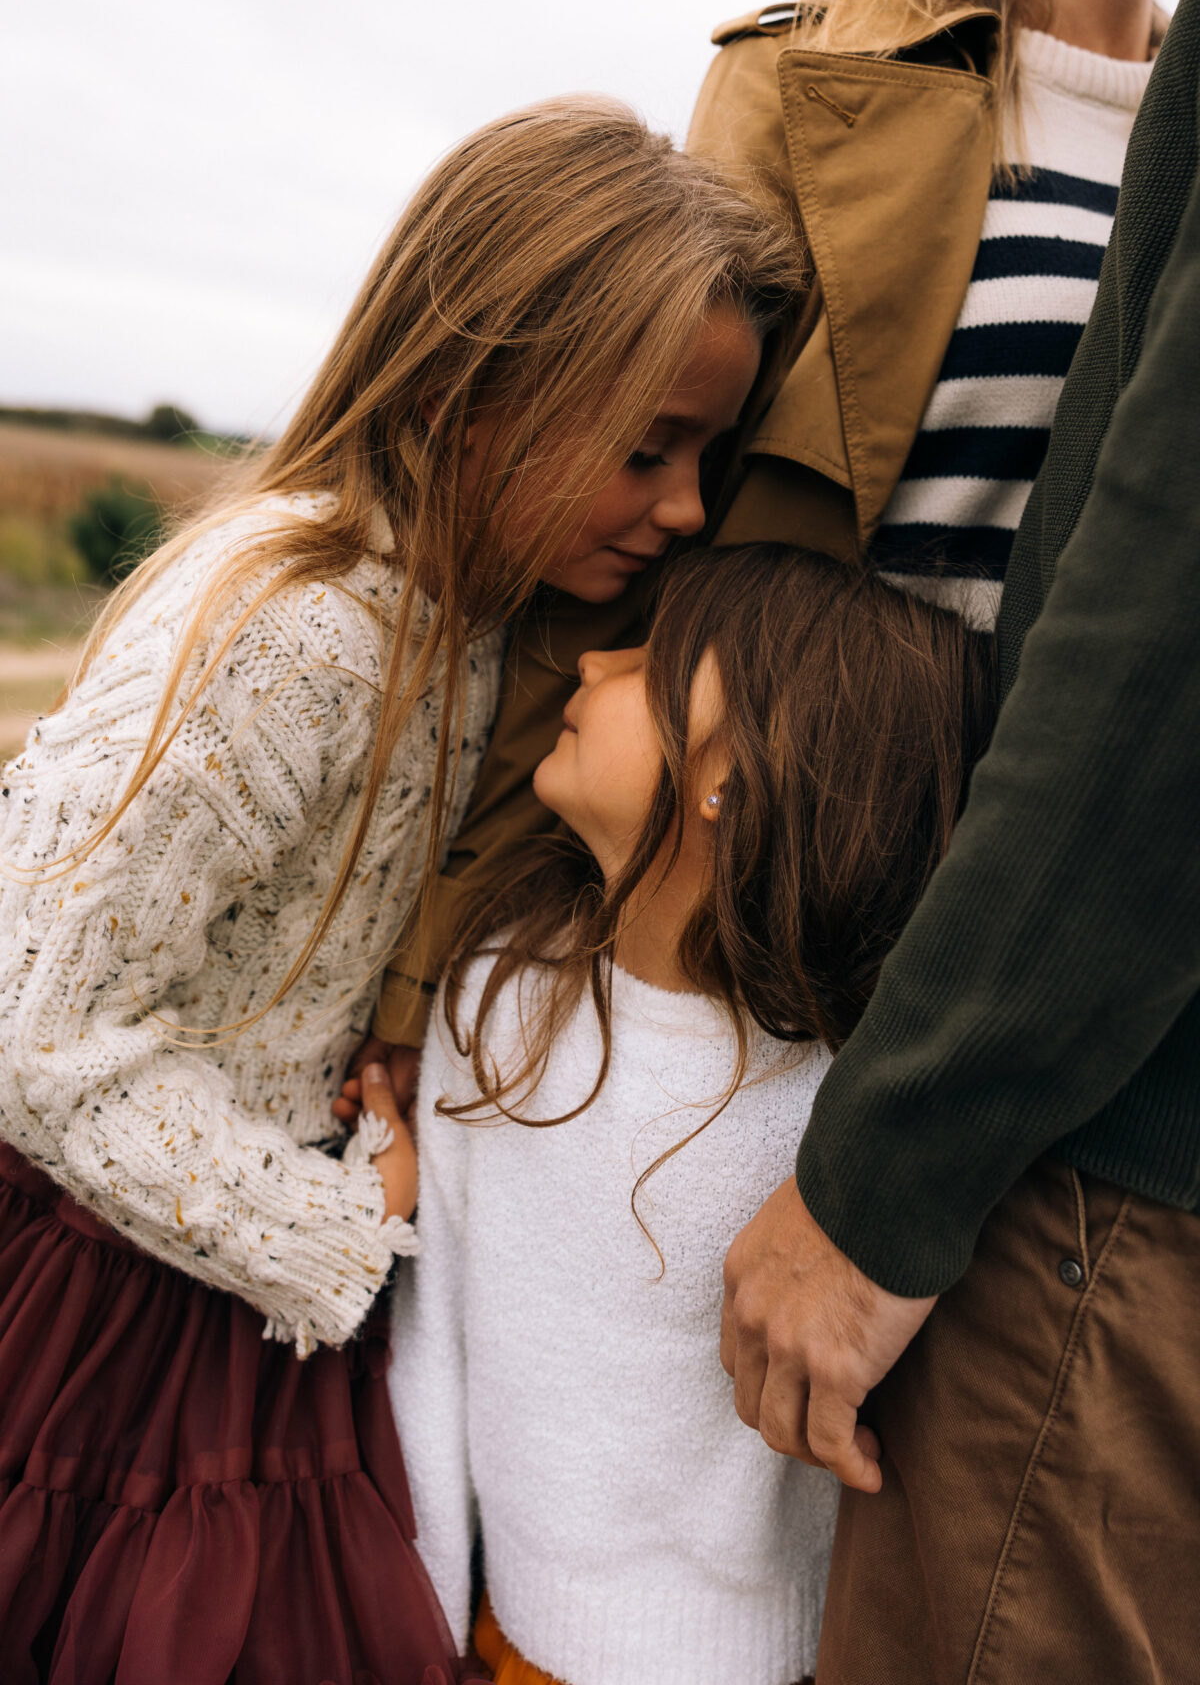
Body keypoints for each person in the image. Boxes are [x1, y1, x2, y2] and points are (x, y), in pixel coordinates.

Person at [0, 99, 799, 1683]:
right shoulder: (287, 632)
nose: (689, 508)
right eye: (646, 449)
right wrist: (342, 1217)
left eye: (706, 454)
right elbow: (38, 1034)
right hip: (135, 1295)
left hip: (253, 1286)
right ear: (467, 395)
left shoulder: (469, 608)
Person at [362, 0, 1176, 1087]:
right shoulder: (810, 75)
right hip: (771, 936)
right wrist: (425, 982)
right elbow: (606, 549)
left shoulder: (1180, 122)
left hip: (1087, 947)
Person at [719, 0, 1200, 1685]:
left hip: (1063, 1102)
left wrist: (898, 1165)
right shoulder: (806, 78)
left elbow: (1170, 604)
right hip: (847, 1012)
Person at [381, 543, 997, 1685]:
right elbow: (433, 1341)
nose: (595, 661)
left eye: (652, 660)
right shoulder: (496, 995)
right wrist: (424, 1616)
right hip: (508, 1643)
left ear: (734, 782)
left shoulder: (849, 1102)